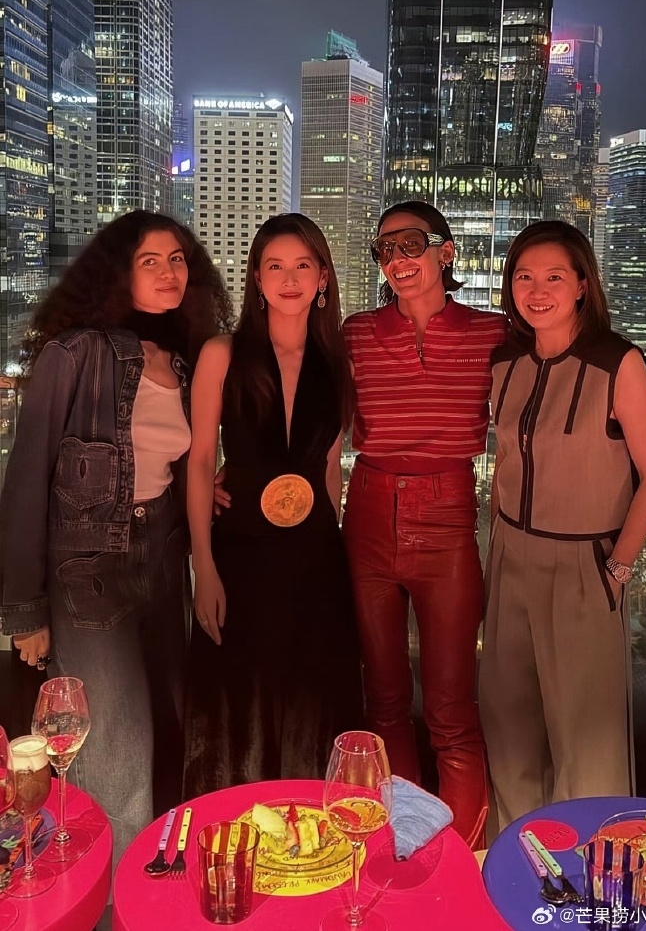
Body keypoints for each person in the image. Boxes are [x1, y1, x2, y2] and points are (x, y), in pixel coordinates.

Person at [0, 211, 232, 866]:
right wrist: (25, 612)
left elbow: (170, 462)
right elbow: (26, 480)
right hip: (88, 573)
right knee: (116, 755)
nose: (169, 272)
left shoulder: (183, 360)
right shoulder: (73, 355)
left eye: (178, 259)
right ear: (117, 272)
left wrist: (208, 488)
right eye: (149, 260)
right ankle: (111, 902)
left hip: (162, 561)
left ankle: (155, 886)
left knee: (168, 733)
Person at [479, 220, 646, 829]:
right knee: (509, 728)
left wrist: (618, 568)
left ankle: (592, 871)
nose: (536, 291)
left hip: (587, 564)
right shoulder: (505, 362)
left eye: (554, 277)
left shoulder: (617, 362)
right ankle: (520, 861)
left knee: (587, 741)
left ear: (583, 284)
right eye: (524, 277)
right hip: (510, 557)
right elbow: (504, 463)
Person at [342, 200, 506, 849]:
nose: (397, 259)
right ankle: (398, 849)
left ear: (446, 251)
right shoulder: (357, 332)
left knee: (451, 708)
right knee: (383, 700)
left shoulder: (490, 332)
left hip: (447, 511)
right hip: (368, 508)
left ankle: (458, 857)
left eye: (410, 244)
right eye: (385, 250)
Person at [183, 213, 363, 794]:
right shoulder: (222, 354)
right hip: (240, 556)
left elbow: (331, 467)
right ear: (256, 279)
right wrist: (203, 567)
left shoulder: (338, 363)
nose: (290, 279)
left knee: (312, 704)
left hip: (315, 560)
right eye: (275, 266)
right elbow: (200, 462)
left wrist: (332, 555)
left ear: (323, 278)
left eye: (303, 266)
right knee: (238, 709)